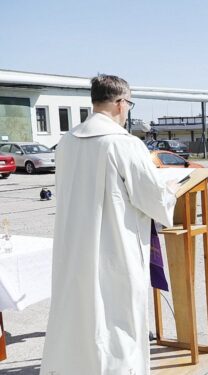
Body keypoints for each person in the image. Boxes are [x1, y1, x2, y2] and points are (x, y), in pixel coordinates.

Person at [41, 75, 179, 374]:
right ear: (119, 103)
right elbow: (151, 198)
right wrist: (170, 190)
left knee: (78, 319)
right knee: (117, 324)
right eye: (128, 103)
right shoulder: (124, 144)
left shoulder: (65, 142)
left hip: (74, 251)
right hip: (114, 249)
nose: (128, 110)